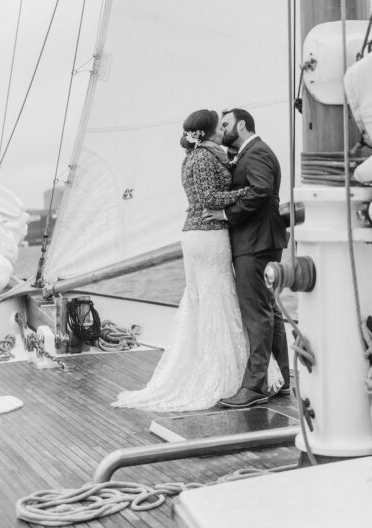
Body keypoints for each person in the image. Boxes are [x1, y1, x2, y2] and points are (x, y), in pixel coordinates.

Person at [112, 108, 273, 412]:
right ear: (210, 130)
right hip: (208, 235)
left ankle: (234, 372)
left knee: (212, 303)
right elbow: (208, 199)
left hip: (202, 235)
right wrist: (241, 193)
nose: (223, 129)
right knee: (217, 302)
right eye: (220, 124)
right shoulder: (202, 157)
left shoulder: (206, 154)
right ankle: (223, 375)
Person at [203, 107, 290, 410]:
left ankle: (254, 386)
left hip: (255, 242)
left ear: (241, 124)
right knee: (269, 311)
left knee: (255, 313)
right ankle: (283, 378)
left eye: (225, 124)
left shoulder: (256, 153)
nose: (222, 129)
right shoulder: (250, 152)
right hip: (262, 240)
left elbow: (261, 191)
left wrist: (225, 212)